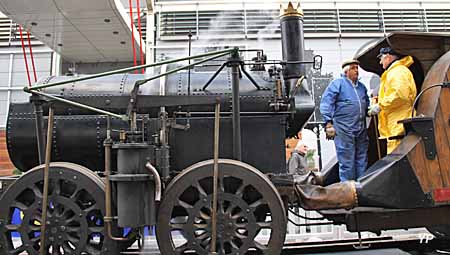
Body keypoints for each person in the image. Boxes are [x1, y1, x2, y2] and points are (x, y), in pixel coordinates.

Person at [320, 59, 369, 181]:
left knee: (362, 159)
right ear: (346, 71)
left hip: (360, 128)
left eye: (357, 68)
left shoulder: (362, 87)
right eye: (353, 68)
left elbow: (366, 104)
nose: (356, 70)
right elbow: (326, 103)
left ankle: (361, 189)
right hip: (344, 129)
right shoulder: (338, 84)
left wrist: (370, 109)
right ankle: (347, 191)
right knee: (347, 162)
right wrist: (328, 124)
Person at [368, 47, 417, 153]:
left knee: (399, 159)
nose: (380, 62)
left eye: (381, 58)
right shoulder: (395, 72)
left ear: (388, 57)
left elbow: (400, 95)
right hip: (396, 125)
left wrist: (380, 105)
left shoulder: (397, 72)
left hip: (399, 125)